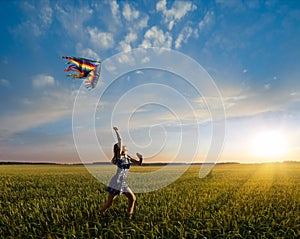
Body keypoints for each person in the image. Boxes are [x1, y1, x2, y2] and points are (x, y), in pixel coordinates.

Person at [100, 127, 143, 216]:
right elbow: (120, 140)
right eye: (123, 146)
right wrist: (117, 132)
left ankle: (129, 217)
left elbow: (139, 163)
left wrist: (141, 158)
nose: (125, 146)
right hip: (116, 182)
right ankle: (98, 214)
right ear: (120, 149)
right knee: (109, 203)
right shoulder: (119, 157)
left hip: (122, 182)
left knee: (132, 199)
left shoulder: (128, 157)